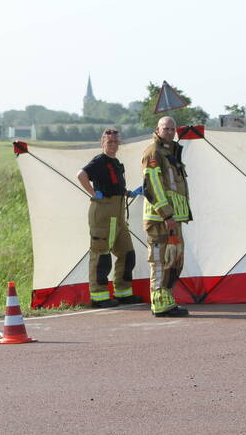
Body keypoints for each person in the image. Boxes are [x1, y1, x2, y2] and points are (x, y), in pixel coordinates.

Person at [77, 128, 144, 308]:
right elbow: (81, 175)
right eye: (109, 142)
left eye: (115, 142)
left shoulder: (115, 162)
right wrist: (93, 193)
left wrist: (129, 193)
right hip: (104, 212)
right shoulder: (99, 161)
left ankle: (123, 293)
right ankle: (99, 297)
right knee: (102, 255)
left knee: (127, 253)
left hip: (119, 213)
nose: (113, 145)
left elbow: (114, 184)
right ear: (102, 144)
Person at [141, 116, 191, 317]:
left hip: (173, 220)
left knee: (174, 260)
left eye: (172, 129)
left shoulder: (171, 152)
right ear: (158, 129)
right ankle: (160, 304)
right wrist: (167, 214)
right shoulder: (153, 152)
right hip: (159, 220)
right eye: (166, 128)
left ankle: (167, 300)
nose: (170, 132)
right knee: (160, 262)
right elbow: (153, 186)